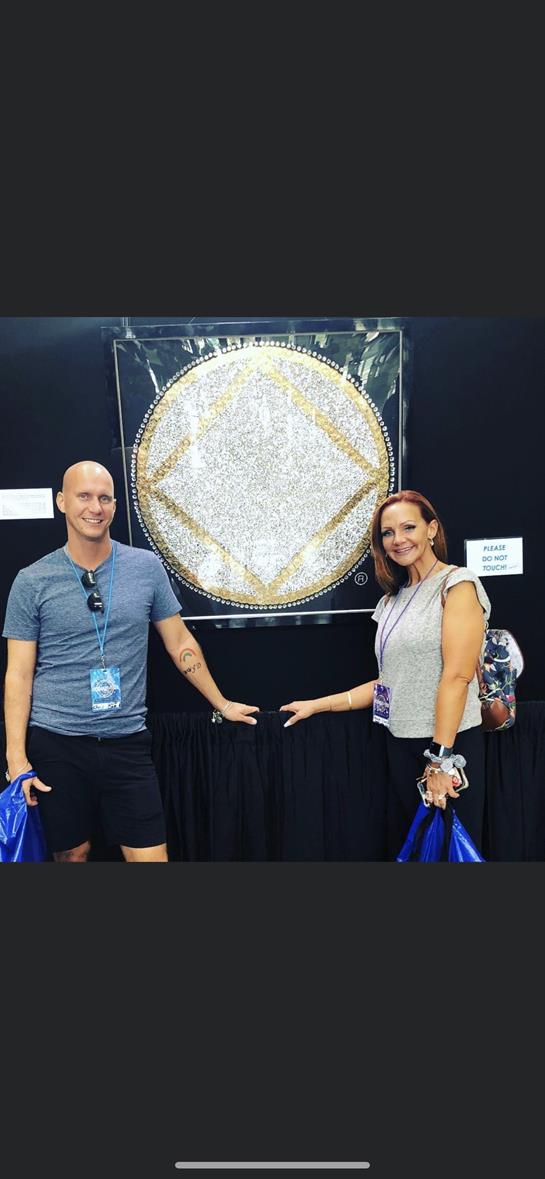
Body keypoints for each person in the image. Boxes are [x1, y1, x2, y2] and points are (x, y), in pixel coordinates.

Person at [2, 461, 259, 863]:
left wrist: (221, 703)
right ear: (62, 501)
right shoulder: (32, 580)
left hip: (127, 741)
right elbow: (18, 673)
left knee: (150, 858)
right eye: (84, 496)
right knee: (72, 854)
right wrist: (16, 758)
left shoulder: (145, 567)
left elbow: (179, 644)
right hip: (58, 742)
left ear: (116, 506)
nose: (95, 507)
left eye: (104, 497)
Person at [280, 490, 491, 859]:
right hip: (399, 745)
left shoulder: (457, 585)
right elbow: (388, 683)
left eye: (409, 527)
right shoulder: (391, 600)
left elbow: (457, 677)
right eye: (387, 533)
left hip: (447, 749)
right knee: (411, 853)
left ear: (432, 529)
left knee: (453, 855)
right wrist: (319, 705)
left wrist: (441, 760)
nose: (398, 540)